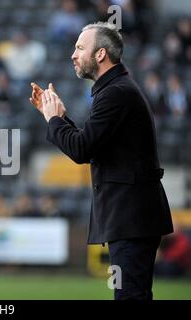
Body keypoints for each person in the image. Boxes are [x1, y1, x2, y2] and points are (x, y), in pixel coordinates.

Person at [29, 22, 173, 300]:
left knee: (130, 296)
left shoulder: (116, 93)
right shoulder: (115, 90)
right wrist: (59, 117)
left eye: (80, 47)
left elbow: (81, 149)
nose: (73, 54)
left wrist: (54, 119)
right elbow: (91, 144)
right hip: (131, 219)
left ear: (100, 54)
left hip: (132, 219)